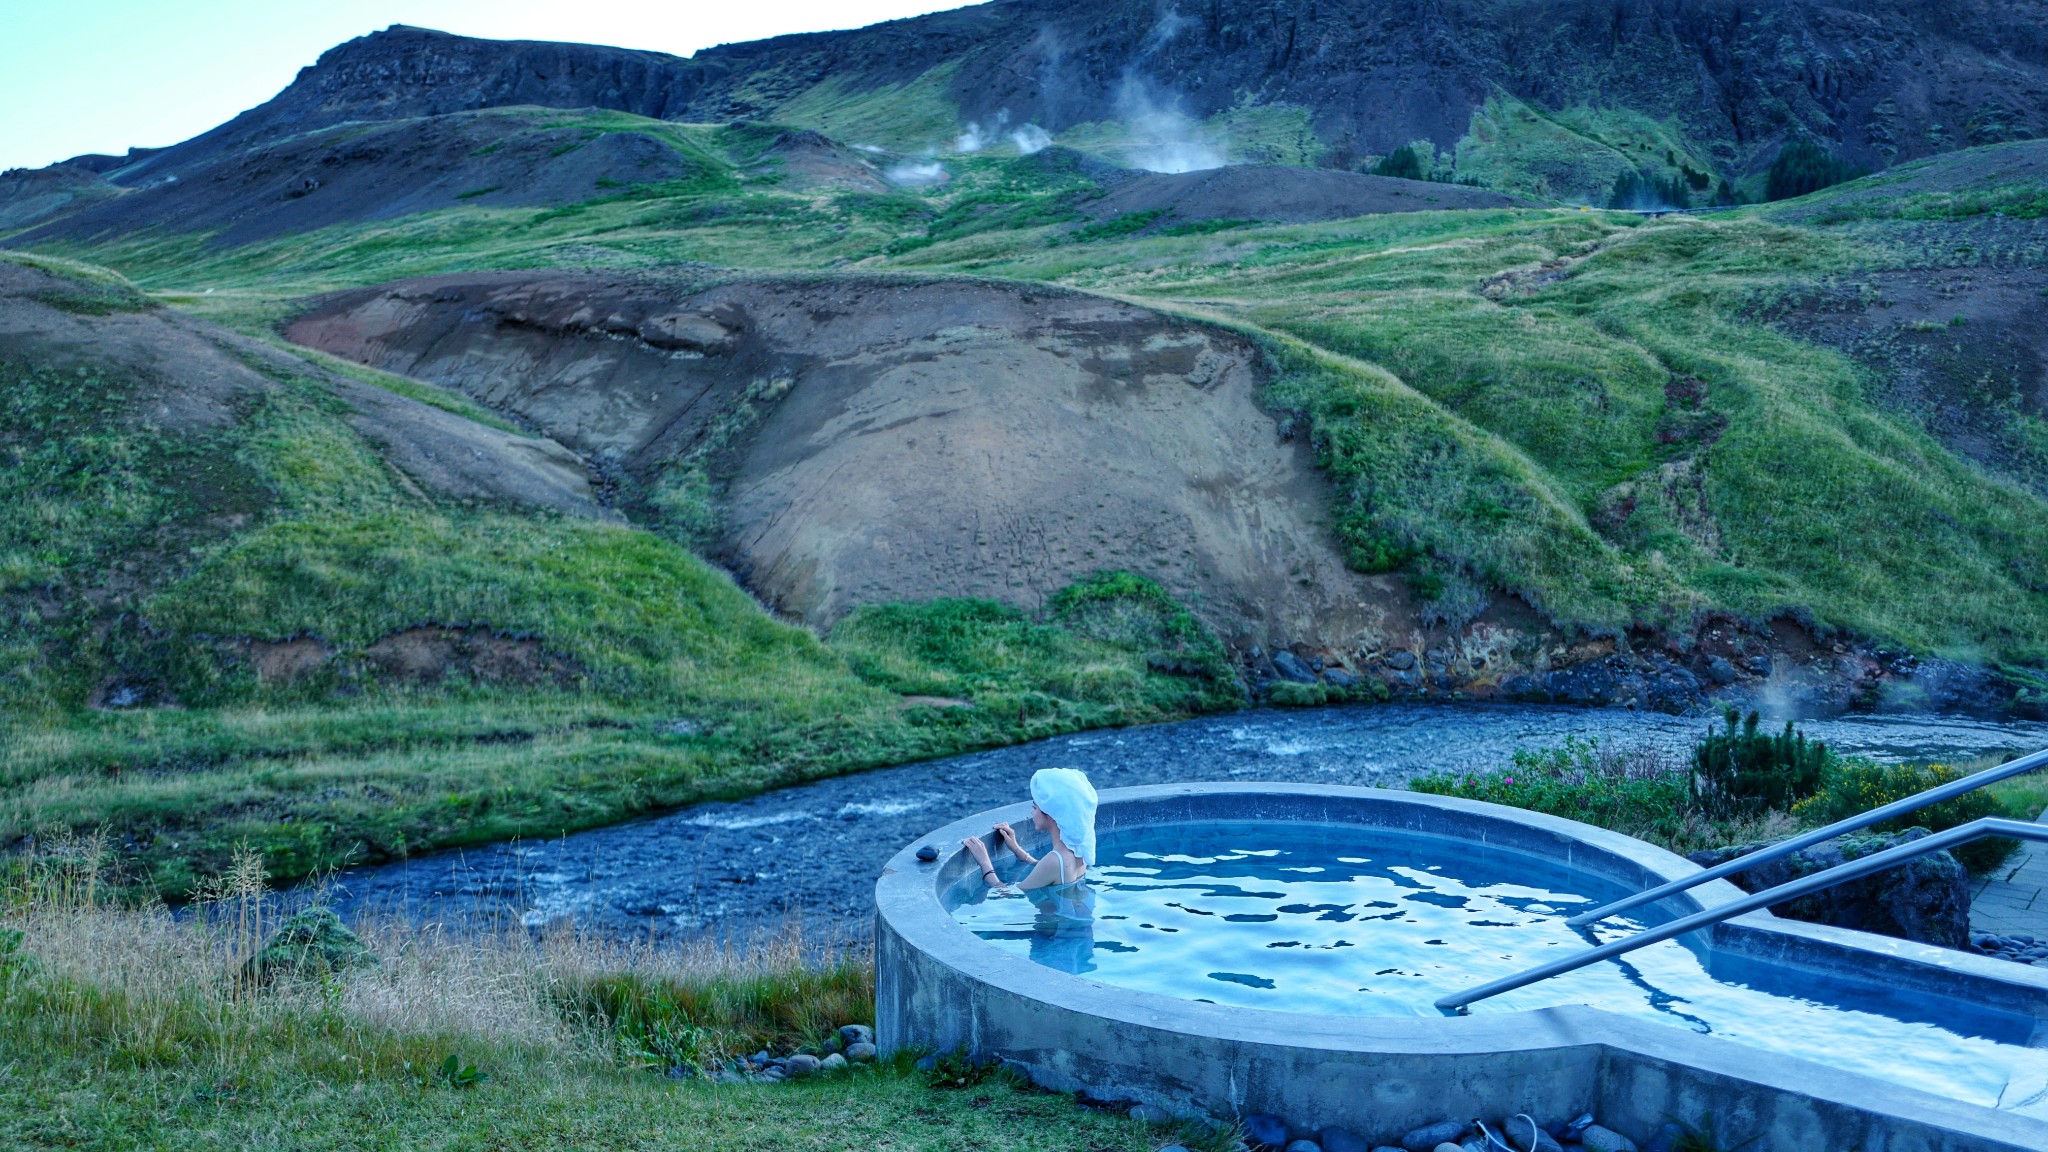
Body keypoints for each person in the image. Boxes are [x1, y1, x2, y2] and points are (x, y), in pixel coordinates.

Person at [960, 767, 1097, 893]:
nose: (1032, 812)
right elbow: (1049, 874)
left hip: (1056, 920)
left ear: (1050, 815)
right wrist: (1018, 851)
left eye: (1035, 807)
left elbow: (1009, 895)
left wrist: (985, 863)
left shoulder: (1054, 860)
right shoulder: (1079, 850)